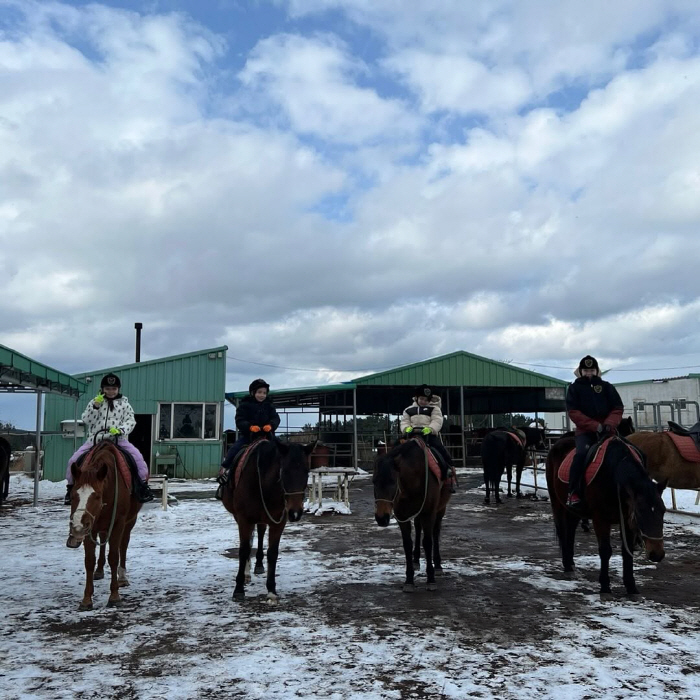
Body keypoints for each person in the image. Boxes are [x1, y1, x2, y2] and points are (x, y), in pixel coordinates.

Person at [64, 373, 153, 504]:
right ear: (102, 389)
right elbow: (87, 419)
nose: (111, 392)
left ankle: (142, 487)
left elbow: (130, 421)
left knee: (138, 460)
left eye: (114, 389)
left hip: (118, 440)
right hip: (95, 440)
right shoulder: (94, 403)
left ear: (118, 389)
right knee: (73, 460)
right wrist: (95, 407)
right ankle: (70, 489)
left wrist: (121, 430)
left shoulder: (125, 405)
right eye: (107, 389)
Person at [565, 355, 624, 510]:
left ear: (597, 371)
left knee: (627, 452)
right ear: (580, 371)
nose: (589, 373)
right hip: (585, 432)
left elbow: (617, 408)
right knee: (581, 456)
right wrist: (594, 426)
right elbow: (573, 412)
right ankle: (574, 491)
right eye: (586, 370)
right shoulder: (574, 389)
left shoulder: (607, 387)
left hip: (608, 430)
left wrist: (608, 424)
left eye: (591, 370)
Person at [216, 378, 280, 499]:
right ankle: (224, 473)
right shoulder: (245, 405)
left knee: (284, 450)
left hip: (267, 436)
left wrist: (271, 425)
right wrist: (250, 427)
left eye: (264, 393)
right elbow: (240, 420)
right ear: (253, 393)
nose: (262, 395)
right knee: (234, 450)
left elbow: (276, 418)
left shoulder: (269, 406)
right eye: (259, 392)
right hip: (249, 437)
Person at [399, 384, 455, 491]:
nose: (423, 401)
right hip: (412, 434)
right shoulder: (408, 410)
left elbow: (437, 420)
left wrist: (430, 429)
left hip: (428, 435)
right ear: (417, 398)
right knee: (396, 448)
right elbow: (404, 421)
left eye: (426, 399)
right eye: (421, 399)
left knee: (441, 450)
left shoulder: (434, 409)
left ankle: (448, 471)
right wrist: (406, 428)